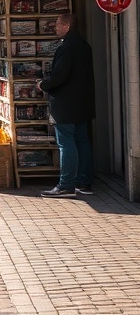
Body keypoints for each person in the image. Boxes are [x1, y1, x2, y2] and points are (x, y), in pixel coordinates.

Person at [37, 13, 95, 197]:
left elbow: (60, 76)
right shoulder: (84, 46)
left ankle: (66, 185)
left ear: (67, 26)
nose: (55, 28)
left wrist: (42, 84)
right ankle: (84, 182)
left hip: (66, 104)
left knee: (66, 143)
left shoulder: (67, 47)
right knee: (82, 141)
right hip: (83, 103)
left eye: (58, 25)